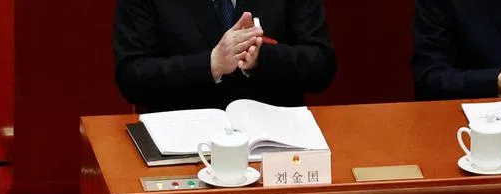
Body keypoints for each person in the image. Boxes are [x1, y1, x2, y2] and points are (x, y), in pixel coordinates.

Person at [113, 0, 337, 112]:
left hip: (274, 143)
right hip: (182, 140)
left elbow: (322, 64)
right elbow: (132, 76)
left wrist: (261, 58)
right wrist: (211, 64)